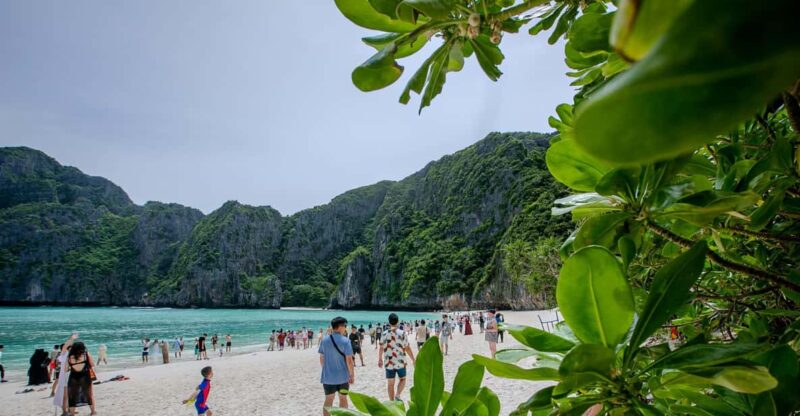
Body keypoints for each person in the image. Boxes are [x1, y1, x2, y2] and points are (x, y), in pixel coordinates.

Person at [319, 317, 354, 416]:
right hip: (343, 377)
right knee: (343, 398)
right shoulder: (345, 341)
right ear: (339, 327)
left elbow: (322, 358)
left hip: (328, 377)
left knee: (328, 400)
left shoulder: (324, 340)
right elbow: (349, 361)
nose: (345, 328)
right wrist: (352, 375)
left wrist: (326, 369)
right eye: (345, 326)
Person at [378, 313, 416, 402]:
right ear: (398, 321)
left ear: (389, 322)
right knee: (403, 379)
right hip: (400, 362)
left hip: (389, 362)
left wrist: (380, 359)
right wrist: (413, 359)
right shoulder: (402, 333)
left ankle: (392, 402)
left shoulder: (384, 333)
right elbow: (407, 347)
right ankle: (398, 395)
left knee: (390, 383)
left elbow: (381, 347)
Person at [67, 341, 97, 416]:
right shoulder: (86, 354)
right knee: (89, 394)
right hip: (85, 375)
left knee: (72, 395)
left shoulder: (70, 356)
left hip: (73, 376)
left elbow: (65, 369)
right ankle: (93, 412)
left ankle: (72, 414)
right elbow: (92, 364)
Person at [52, 334, 78, 416]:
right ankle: (64, 411)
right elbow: (66, 345)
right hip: (65, 376)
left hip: (70, 375)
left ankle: (70, 410)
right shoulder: (64, 354)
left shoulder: (70, 354)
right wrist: (71, 338)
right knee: (65, 394)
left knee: (71, 394)